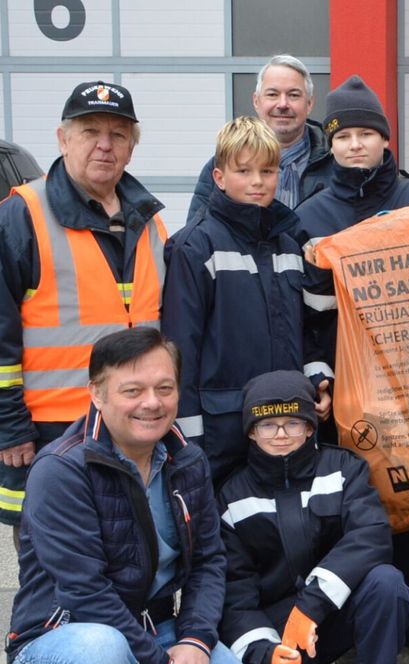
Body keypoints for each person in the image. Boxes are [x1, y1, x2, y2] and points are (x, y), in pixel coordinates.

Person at [6, 327, 266, 664]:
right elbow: (84, 593)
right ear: (97, 393)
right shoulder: (61, 470)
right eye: (132, 390)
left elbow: (208, 562)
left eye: (165, 388)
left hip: (155, 627)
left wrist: (195, 640)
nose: (152, 403)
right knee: (102, 655)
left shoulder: (187, 459)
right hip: (63, 638)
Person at [0, 80, 166, 536]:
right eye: (90, 131)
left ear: (131, 147)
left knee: (133, 564)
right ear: (63, 139)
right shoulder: (19, 218)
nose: (104, 145)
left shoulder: (149, 223)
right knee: (55, 583)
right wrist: (8, 428)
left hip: (131, 430)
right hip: (51, 436)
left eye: (118, 134)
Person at [293, 75, 409, 664]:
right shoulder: (310, 214)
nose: (356, 145)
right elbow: (307, 315)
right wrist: (318, 377)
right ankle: (361, 622)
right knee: (355, 509)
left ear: (386, 140)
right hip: (347, 388)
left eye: (367, 133)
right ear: (329, 145)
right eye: (344, 135)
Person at [217, 371, 409, 664]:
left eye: (293, 422)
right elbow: (233, 594)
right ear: (250, 432)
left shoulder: (344, 469)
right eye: (267, 425)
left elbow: (370, 535)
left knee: (387, 584)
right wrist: (262, 652)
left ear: (310, 428)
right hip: (275, 627)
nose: (280, 434)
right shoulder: (230, 496)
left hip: (329, 611)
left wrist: (312, 604)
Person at [161, 116, 324, 484]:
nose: (257, 182)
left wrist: (316, 381)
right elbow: (180, 349)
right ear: (219, 178)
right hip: (223, 431)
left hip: (286, 420)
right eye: (244, 171)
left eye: (267, 171)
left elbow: (305, 330)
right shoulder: (195, 246)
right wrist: (188, 440)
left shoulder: (289, 242)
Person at [189, 55, 330, 213]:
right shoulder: (223, 164)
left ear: (309, 104)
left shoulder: (334, 164)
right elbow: (198, 231)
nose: (283, 104)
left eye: (293, 95)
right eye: (272, 94)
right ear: (256, 101)